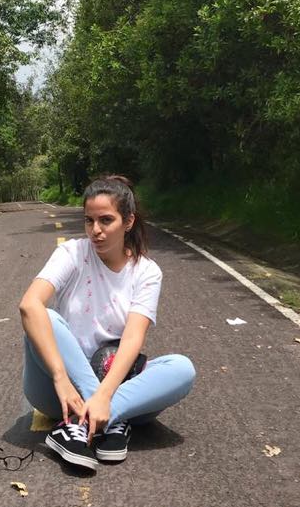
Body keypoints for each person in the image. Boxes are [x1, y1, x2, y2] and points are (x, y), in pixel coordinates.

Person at [19, 174, 196, 471]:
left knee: (182, 368)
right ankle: (110, 422)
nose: (96, 230)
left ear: (128, 221)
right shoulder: (72, 253)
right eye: (89, 221)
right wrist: (61, 378)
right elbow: (29, 304)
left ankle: (91, 421)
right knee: (45, 317)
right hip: (59, 393)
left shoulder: (146, 272)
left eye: (106, 220)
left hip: (114, 387)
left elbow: (133, 338)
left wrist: (104, 396)